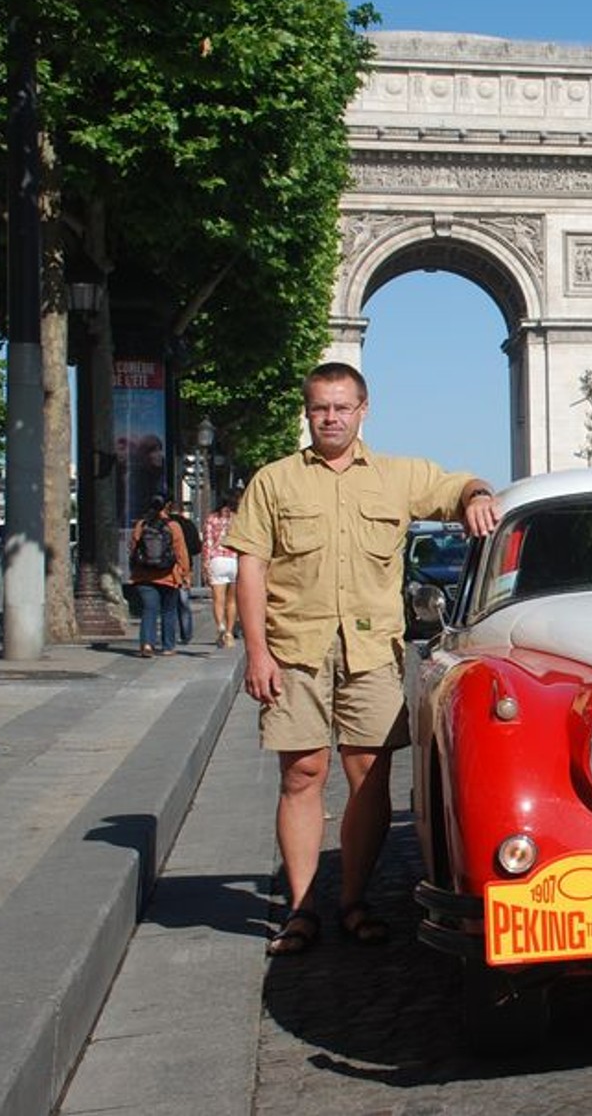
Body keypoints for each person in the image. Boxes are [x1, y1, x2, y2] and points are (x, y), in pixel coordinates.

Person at [228, 362, 501, 958]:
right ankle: (300, 909)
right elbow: (249, 568)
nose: (331, 417)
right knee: (302, 775)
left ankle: (354, 899)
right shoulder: (273, 482)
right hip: (295, 649)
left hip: (372, 650)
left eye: (342, 407)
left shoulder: (399, 477)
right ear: (308, 412)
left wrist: (478, 494)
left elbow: (459, 487)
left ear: (363, 410)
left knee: (369, 776)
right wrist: (255, 652)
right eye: (321, 407)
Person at [127, 495, 190, 658]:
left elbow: (133, 548)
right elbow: (181, 551)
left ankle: (147, 644)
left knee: (149, 610)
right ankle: (168, 646)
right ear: (167, 506)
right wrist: (185, 574)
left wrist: (134, 570)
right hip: (169, 575)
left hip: (144, 576)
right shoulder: (173, 526)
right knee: (168, 611)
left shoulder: (141, 525)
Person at [202, 494, 239, 647]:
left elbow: (207, 542)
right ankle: (230, 633)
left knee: (218, 600)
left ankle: (220, 627)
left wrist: (206, 563)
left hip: (217, 559)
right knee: (232, 600)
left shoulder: (211, 519)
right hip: (234, 560)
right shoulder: (237, 519)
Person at [171, 508, 202, 646]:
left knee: (168, 603)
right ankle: (186, 633)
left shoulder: (163, 524)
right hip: (184, 565)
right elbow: (196, 547)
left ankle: (172, 633)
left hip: (163, 568)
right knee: (183, 602)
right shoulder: (188, 525)